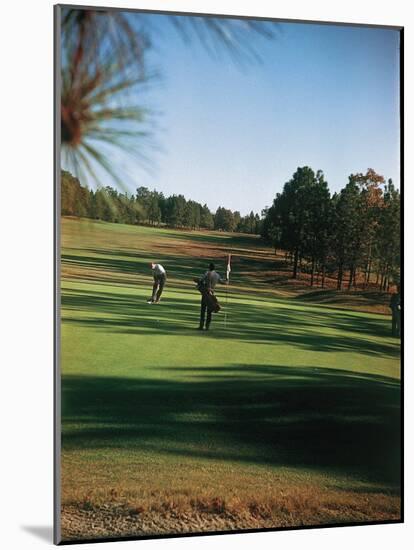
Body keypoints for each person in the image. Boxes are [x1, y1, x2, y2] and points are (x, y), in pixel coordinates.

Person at [195, 262, 227, 330]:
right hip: (212, 294)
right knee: (209, 311)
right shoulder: (217, 275)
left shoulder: (207, 273)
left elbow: (201, 280)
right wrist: (227, 279)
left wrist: (197, 282)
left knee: (203, 310)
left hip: (205, 293)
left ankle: (201, 326)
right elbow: (223, 282)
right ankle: (207, 326)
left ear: (209, 267)